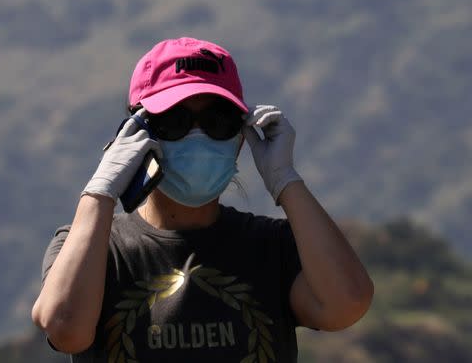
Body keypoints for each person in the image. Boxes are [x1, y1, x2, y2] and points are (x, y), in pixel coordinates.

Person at [31, 37, 374, 363]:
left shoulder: (274, 247)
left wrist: (286, 179)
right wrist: (101, 191)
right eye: (174, 122)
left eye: (218, 122)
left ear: (240, 138)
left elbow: (346, 304)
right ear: (136, 136)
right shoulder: (94, 250)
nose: (198, 136)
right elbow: (65, 330)